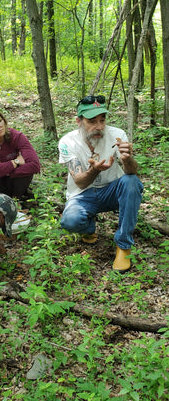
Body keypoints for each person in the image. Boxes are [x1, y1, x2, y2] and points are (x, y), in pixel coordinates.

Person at [58, 95, 143, 272]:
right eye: (92, 121)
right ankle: (89, 227)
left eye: (102, 120)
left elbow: (132, 172)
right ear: (79, 121)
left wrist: (128, 160)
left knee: (131, 182)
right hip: (83, 195)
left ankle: (124, 245)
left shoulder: (117, 135)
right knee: (70, 221)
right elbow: (80, 182)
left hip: (112, 190)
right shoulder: (68, 142)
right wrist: (95, 169)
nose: (99, 126)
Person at [0, 106, 40, 199]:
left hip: (12, 183)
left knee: (26, 173)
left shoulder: (17, 137)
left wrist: (2, 169)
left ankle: (16, 201)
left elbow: (35, 165)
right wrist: (15, 162)